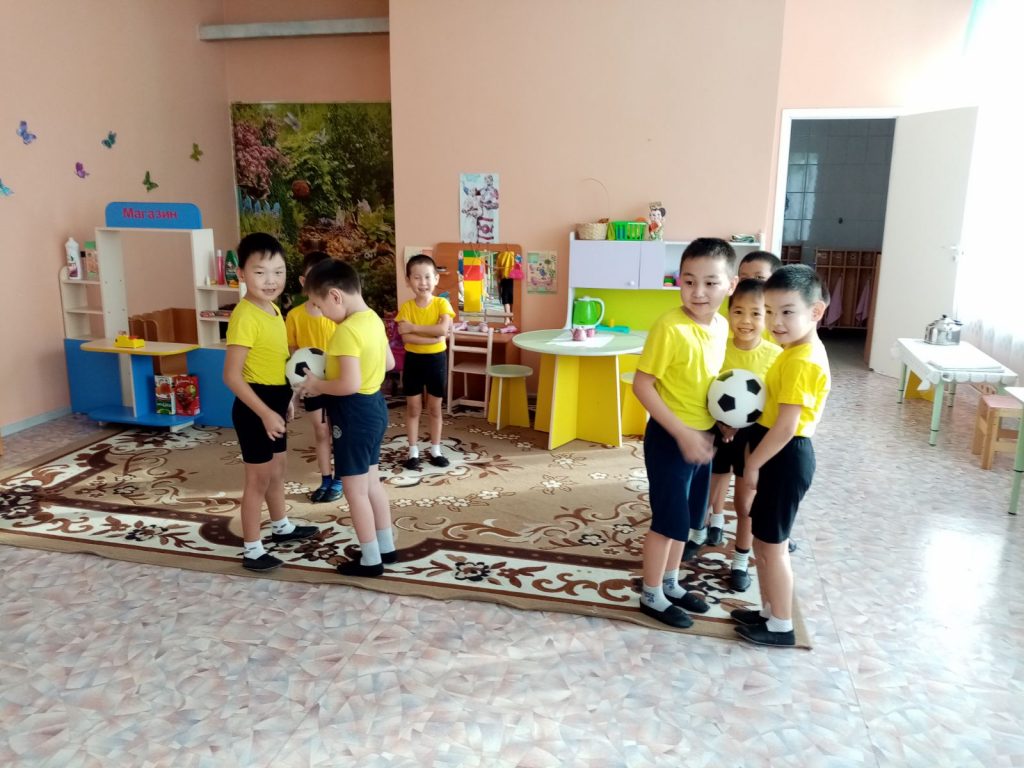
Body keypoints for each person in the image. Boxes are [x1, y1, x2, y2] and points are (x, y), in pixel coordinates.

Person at [632, 238, 738, 628]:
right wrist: (680, 433)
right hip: (670, 439)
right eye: (689, 281)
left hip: (702, 437)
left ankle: (670, 583)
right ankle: (651, 594)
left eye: (711, 283)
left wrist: (721, 420)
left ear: (731, 285)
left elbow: (709, 382)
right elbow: (642, 385)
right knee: (668, 521)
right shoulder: (670, 327)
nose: (698, 292)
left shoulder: (722, 327)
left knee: (688, 519)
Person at [732, 265, 830, 647]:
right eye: (770, 311)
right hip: (776, 450)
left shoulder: (803, 360)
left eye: (788, 312)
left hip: (785, 455)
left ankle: (781, 626)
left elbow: (787, 426)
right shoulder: (793, 351)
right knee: (762, 540)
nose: (776, 322)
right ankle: (768, 611)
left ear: (815, 311)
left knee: (774, 546)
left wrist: (753, 463)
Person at [223, 233, 319, 572]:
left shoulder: (274, 309)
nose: (271, 280)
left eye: (278, 272)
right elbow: (232, 376)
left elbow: (277, 361)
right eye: (260, 272)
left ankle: (281, 527)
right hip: (254, 408)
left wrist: (287, 399)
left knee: (278, 471)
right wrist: (265, 412)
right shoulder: (245, 316)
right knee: (258, 479)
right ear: (242, 274)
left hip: (275, 401)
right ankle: (252, 549)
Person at [296, 259, 397, 577]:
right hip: (375, 408)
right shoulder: (373, 320)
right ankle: (386, 547)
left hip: (353, 415)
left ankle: (370, 560)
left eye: (319, 305)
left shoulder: (345, 332)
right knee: (372, 483)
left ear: (336, 296)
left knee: (355, 491)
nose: (321, 313)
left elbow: (348, 384)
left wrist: (316, 385)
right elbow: (390, 364)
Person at [704, 280, 781, 593]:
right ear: (728, 312)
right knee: (711, 483)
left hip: (754, 435)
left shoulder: (775, 355)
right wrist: (722, 421)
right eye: (738, 312)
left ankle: (739, 560)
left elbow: (774, 401)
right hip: (718, 429)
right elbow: (707, 389)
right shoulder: (718, 348)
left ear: (767, 316)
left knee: (745, 500)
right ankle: (705, 527)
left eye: (756, 313)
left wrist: (744, 422)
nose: (746, 320)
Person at [285, 251, 341, 503]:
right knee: (320, 431)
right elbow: (292, 353)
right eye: (313, 278)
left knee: (338, 431)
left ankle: (340, 478)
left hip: (337, 383)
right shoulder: (295, 316)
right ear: (303, 281)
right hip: (311, 385)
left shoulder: (338, 316)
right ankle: (326, 478)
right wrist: (295, 392)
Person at [395, 254, 455, 471]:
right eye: (417, 277)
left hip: (436, 361)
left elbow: (442, 330)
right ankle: (413, 451)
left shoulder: (442, 303)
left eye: (428, 277)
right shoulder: (407, 308)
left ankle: (436, 450)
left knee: (435, 408)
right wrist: (433, 337)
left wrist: (415, 328)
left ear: (436, 279)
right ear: (408, 281)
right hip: (413, 361)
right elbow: (406, 338)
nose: (423, 282)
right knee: (413, 408)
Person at [495, 249, 516, 323]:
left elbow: (498, 274)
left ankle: (507, 318)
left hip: (505, 280)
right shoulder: (514, 253)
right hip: (515, 280)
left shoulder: (501, 255)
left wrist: (499, 293)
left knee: (506, 301)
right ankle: (512, 318)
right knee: (513, 300)